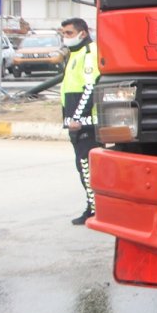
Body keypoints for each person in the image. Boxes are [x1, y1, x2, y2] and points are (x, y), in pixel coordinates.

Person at [60, 18, 102, 225]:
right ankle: (93, 206)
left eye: (68, 33)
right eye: (63, 33)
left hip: (85, 122)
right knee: (83, 166)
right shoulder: (75, 54)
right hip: (76, 121)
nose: (65, 37)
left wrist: (76, 117)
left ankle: (94, 210)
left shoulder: (88, 53)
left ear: (82, 33)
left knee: (87, 168)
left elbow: (90, 87)